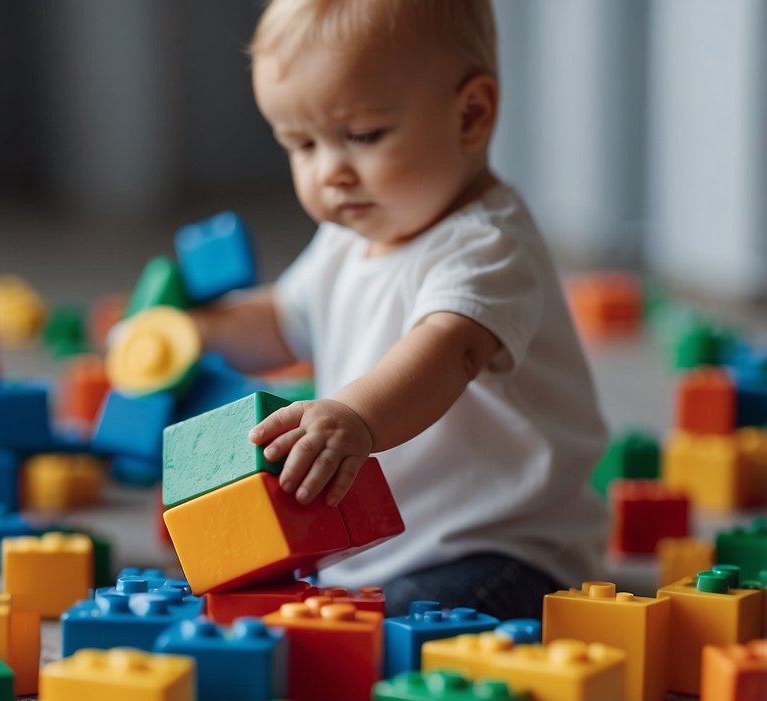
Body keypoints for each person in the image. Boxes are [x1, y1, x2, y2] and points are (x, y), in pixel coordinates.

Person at [188, 0, 608, 619]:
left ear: (470, 115)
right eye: (301, 144)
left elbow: (448, 349)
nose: (331, 172)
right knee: (268, 611)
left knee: (390, 642)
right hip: (370, 543)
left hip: (499, 544)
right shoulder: (347, 238)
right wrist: (195, 334)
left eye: (362, 136)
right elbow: (283, 321)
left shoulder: (487, 244)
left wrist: (355, 416)